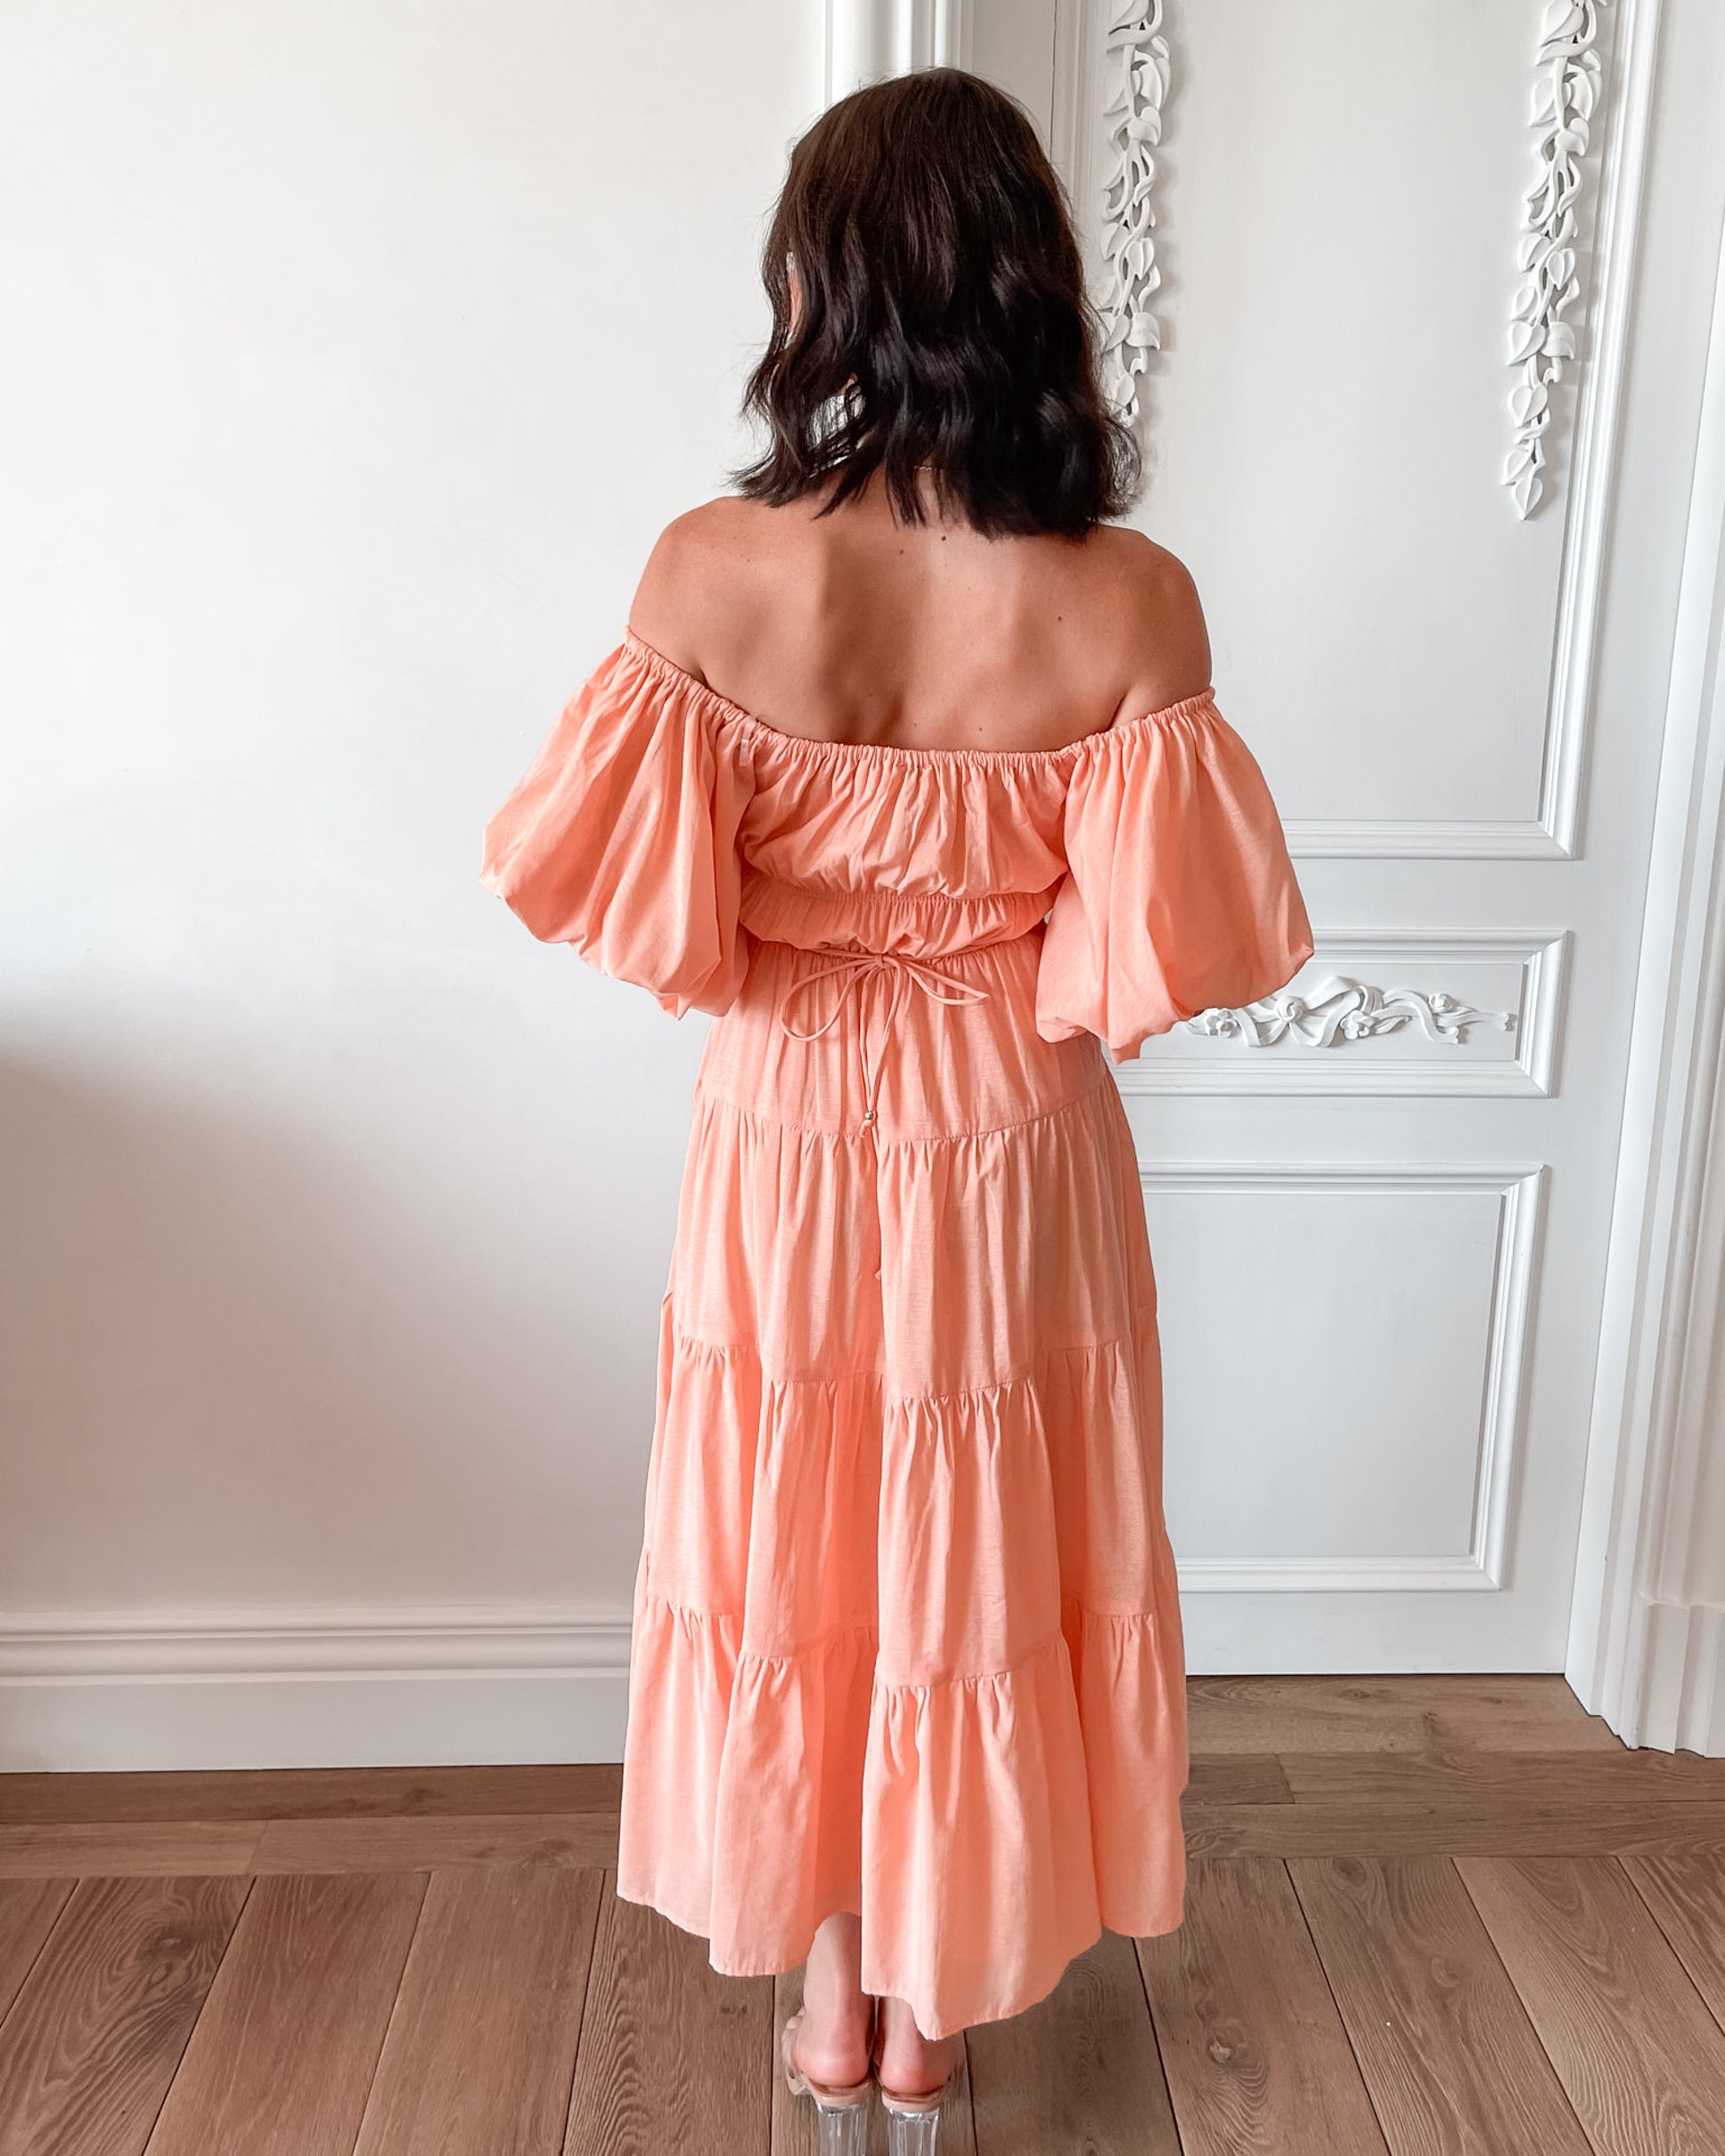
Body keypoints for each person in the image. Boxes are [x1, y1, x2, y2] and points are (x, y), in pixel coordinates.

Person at [481, 64, 1313, 2156]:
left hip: (781, 1124)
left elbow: (628, 907)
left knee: (801, 1546)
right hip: (1010, 1131)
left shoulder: (708, 575)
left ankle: (836, 1993)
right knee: (973, 1548)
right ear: (1032, 287)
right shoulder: (1132, 601)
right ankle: (930, 2006)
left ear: (818, 285)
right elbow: (1152, 962)